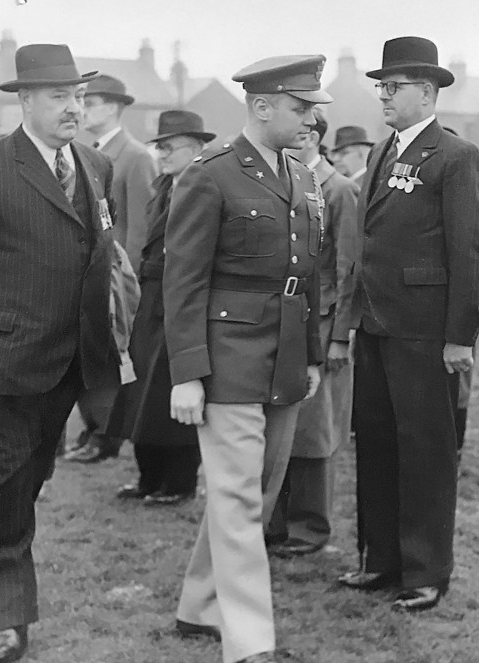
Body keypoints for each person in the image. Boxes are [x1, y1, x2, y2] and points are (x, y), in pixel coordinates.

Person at [164, 55, 331, 663]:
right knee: (236, 498)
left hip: (286, 355)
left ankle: (197, 606)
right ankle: (249, 642)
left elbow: (308, 276)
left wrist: (311, 356)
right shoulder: (210, 176)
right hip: (227, 356)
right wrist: (187, 374)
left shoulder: (305, 179)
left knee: (255, 493)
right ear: (261, 107)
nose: (311, 119)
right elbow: (182, 283)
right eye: (301, 107)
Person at [0, 43, 120, 663]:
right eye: (59, 96)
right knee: (3, 480)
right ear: (24, 100)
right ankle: (8, 621)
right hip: (1, 359)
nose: (74, 107)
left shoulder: (96, 168)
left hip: (70, 362)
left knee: (24, 480)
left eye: (79, 96)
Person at [336, 35, 479, 612]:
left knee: (425, 449)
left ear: (427, 93)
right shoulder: (382, 151)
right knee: (374, 443)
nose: (383, 95)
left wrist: (459, 335)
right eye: (381, 86)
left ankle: (426, 570)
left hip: (425, 330)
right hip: (376, 325)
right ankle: (380, 559)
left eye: (393, 86)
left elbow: (471, 251)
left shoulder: (455, 156)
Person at [108, 110, 215, 506]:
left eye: (169, 147)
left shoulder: (204, 188)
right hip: (153, 299)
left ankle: (180, 482)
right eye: (160, 147)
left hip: (182, 300)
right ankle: (149, 478)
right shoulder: (163, 187)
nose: (162, 154)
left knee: (173, 391)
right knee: (141, 394)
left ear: (196, 148)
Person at [267, 107, 357, 558]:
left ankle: (310, 526)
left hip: (321, 325)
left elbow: (348, 267)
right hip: (285, 322)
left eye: (303, 134)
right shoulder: (282, 183)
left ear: (315, 138)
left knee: (317, 431)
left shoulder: (339, 190)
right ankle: (276, 520)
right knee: (282, 425)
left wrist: (341, 333)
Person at [67, 73, 158, 464]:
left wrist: (127, 289)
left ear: (116, 108)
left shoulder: (135, 156)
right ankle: (92, 429)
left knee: (111, 358)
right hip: (88, 276)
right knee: (86, 355)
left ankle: (107, 435)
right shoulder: (84, 152)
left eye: (92, 102)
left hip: (117, 280)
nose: (83, 110)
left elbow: (141, 227)